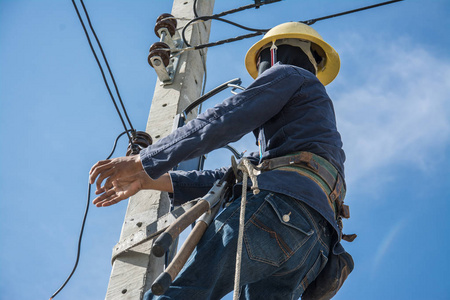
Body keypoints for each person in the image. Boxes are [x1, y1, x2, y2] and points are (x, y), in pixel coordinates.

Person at [90, 22, 350, 300]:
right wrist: (149, 178)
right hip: (315, 247)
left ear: (273, 52)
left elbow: (226, 117)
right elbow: (230, 178)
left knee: (181, 295)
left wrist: (146, 161)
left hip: (280, 213)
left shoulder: (289, 74)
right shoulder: (309, 137)